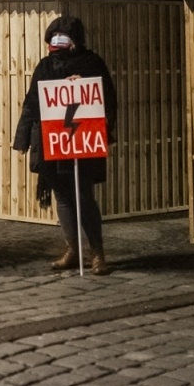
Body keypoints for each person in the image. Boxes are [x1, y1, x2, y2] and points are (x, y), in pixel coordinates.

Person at [13, 15, 118, 275]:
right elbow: (32, 102)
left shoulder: (92, 63)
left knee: (83, 196)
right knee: (62, 196)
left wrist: (81, 85)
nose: (58, 42)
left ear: (75, 41)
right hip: (52, 142)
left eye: (64, 37)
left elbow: (107, 99)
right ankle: (73, 249)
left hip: (81, 142)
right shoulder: (45, 66)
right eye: (54, 37)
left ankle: (97, 253)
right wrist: (23, 139)